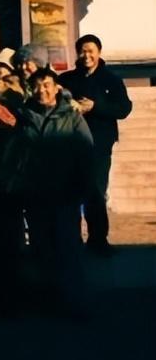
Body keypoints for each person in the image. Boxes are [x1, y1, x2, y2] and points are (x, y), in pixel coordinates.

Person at [13, 68, 94, 311]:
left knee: (68, 245)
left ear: (56, 87)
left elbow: (86, 151)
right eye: (37, 86)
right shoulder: (24, 116)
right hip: (35, 192)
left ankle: (74, 299)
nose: (42, 90)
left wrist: (84, 185)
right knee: (41, 246)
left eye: (46, 84)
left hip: (65, 191)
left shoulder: (71, 115)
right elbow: (17, 154)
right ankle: (47, 298)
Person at [58, 34, 132, 254]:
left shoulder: (111, 79)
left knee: (96, 192)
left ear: (99, 52)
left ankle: (98, 240)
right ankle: (71, 240)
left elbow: (124, 109)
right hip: (69, 144)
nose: (86, 55)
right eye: (82, 51)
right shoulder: (67, 79)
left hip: (99, 145)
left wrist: (95, 106)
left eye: (90, 50)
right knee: (70, 193)